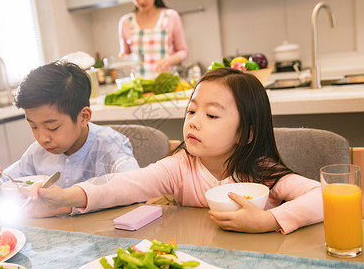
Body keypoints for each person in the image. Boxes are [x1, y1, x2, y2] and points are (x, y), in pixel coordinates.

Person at [21, 67, 323, 234]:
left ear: (246, 133)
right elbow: (125, 184)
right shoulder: (180, 166)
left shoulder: (263, 173)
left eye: (212, 115)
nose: (194, 122)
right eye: (191, 112)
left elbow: (326, 196)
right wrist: (69, 196)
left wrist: (269, 221)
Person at [0, 61, 139, 193]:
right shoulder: (35, 154)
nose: (42, 138)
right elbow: (6, 184)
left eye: (52, 127)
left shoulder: (110, 145)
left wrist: (74, 200)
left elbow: (135, 185)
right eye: (33, 127)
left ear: (83, 117)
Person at [119, 0, 188, 78]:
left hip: (167, 82)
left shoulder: (171, 16)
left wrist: (169, 60)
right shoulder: (125, 21)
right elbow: (124, 54)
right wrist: (123, 60)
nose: (141, 0)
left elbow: (183, 51)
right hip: (139, 85)